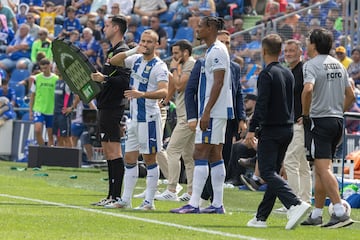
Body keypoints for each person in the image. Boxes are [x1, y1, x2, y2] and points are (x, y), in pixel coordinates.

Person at [245, 33, 310, 229]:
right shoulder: (287, 72)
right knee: (272, 172)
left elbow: (261, 104)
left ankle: (295, 204)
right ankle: (261, 217)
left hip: (272, 130)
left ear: (263, 51)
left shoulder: (267, 74)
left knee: (266, 172)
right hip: (288, 128)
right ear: (280, 51)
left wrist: (252, 129)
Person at [171, 16, 233, 214]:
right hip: (215, 111)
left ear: (211, 27)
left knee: (200, 152)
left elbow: (218, 82)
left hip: (213, 111)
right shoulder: (212, 50)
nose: (197, 30)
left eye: (200, 27)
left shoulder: (216, 51)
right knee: (215, 154)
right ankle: (217, 204)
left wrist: (206, 112)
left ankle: (195, 203)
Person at [105, 29, 168, 210]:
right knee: (129, 158)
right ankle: (126, 199)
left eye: (149, 42)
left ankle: (149, 201)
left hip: (148, 118)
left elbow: (164, 91)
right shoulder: (136, 60)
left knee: (150, 159)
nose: (145, 44)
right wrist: (133, 50)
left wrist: (142, 94)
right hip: (133, 118)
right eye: (143, 41)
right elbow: (113, 61)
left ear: (156, 45)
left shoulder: (159, 66)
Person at [301, 28, 355, 228]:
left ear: (314, 44)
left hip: (319, 120)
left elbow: (307, 90)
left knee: (323, 169)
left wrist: (306, 114)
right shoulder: (339, 65)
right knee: (321, 169)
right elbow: (350, 95)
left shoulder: (311, 65)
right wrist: (339, 110)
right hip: (336, 121)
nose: (306, 45)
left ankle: (339, 211)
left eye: (308, 42)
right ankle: (316, 214)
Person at [90, 15, 131, 207]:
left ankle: (116, 196)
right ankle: (110, 195)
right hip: (105, 106)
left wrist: (103, 79)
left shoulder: (123, 52)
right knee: (108, 151)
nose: (104, 28)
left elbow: (124, 81)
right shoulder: (113, 51)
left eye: (107, 26)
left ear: (116, 28)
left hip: (114, 107)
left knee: (114, 152)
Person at [155, 39, 195, 202]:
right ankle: (192, 191)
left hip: (187, 116)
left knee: (172, 150)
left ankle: (172, 189)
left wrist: (174, 67)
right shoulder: (184, 65)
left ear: (186, 53)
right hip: (184, 115)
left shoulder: (190, 64)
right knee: (188, 154)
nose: (174, 56)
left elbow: (178, 85)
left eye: (177, 53)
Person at [282, 39, 312, 205]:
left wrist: (307, 114)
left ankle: (293, 203)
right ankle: (305, 200)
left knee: (290, 161)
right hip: (294, 121)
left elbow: (312, 91)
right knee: (301, 164)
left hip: (300, 122)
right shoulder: (291, 71)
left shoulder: (304, 70)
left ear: (301, 52)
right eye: (286, 51)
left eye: (292, 50)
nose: (288, 54)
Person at [29, 58, 58, 146]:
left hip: (51, 109)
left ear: (50, 66)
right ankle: (42, 149)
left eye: (46, 68)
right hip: (39, 108)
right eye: (42, 68)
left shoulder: (56, 79)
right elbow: (33, 95)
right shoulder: (37, 78)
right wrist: (30, 110)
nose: (44, 70)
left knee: (50, 135)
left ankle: (48, 155)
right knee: (37, 130)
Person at [52, 67, 73, 147]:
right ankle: (61, 158)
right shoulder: (57, 82)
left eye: (58, 67)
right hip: (56, 113)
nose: (56, 69)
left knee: (66, 137)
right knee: (58, 137)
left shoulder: (67, 83)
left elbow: (77, 96)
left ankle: (71, 158)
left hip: (64, 114)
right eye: (55, 68)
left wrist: (71, 108)